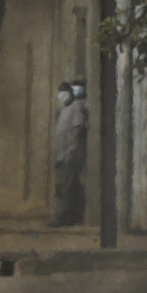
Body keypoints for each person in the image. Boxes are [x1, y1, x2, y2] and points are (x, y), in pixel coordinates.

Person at [52, 79, 89, 227]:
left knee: (66, 187)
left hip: (71, 154)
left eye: (64, 92)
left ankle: (62, 217)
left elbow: (77, 132)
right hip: (63, 154)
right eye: (60, 93)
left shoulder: (76, 108)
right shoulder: (63, 110)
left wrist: (69, 153)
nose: (61, 95)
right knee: (70, 186)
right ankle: (75, 216)